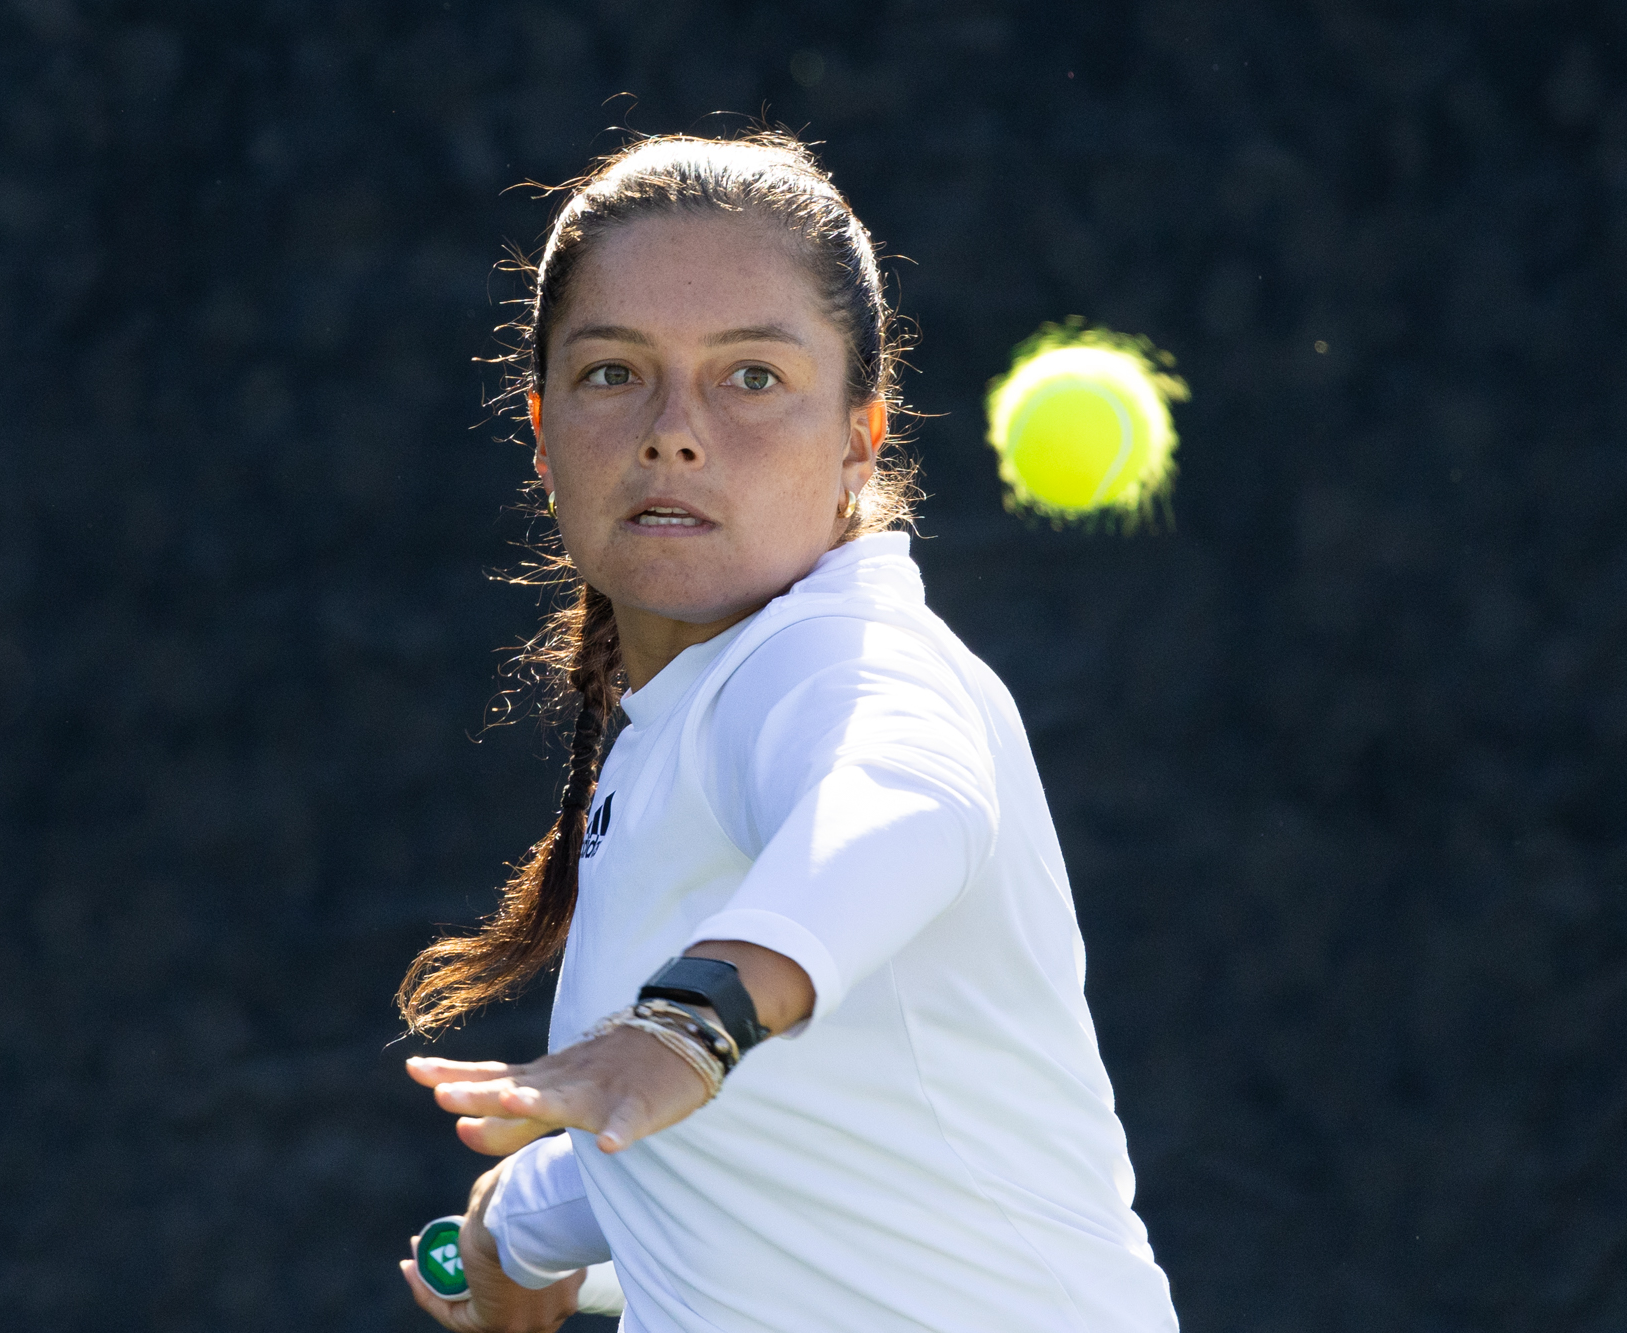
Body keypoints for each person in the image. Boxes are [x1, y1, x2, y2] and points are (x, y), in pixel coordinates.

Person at [396, 132, 1179, 1333]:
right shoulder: (675, 729)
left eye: (751, 376)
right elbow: (736, 1131)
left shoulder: (833, 661)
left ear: (860, 434)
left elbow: (901, 804)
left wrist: (686, 1025)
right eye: (613, 372)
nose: (675, 430)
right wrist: (514, 1230)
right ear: (541, 433)